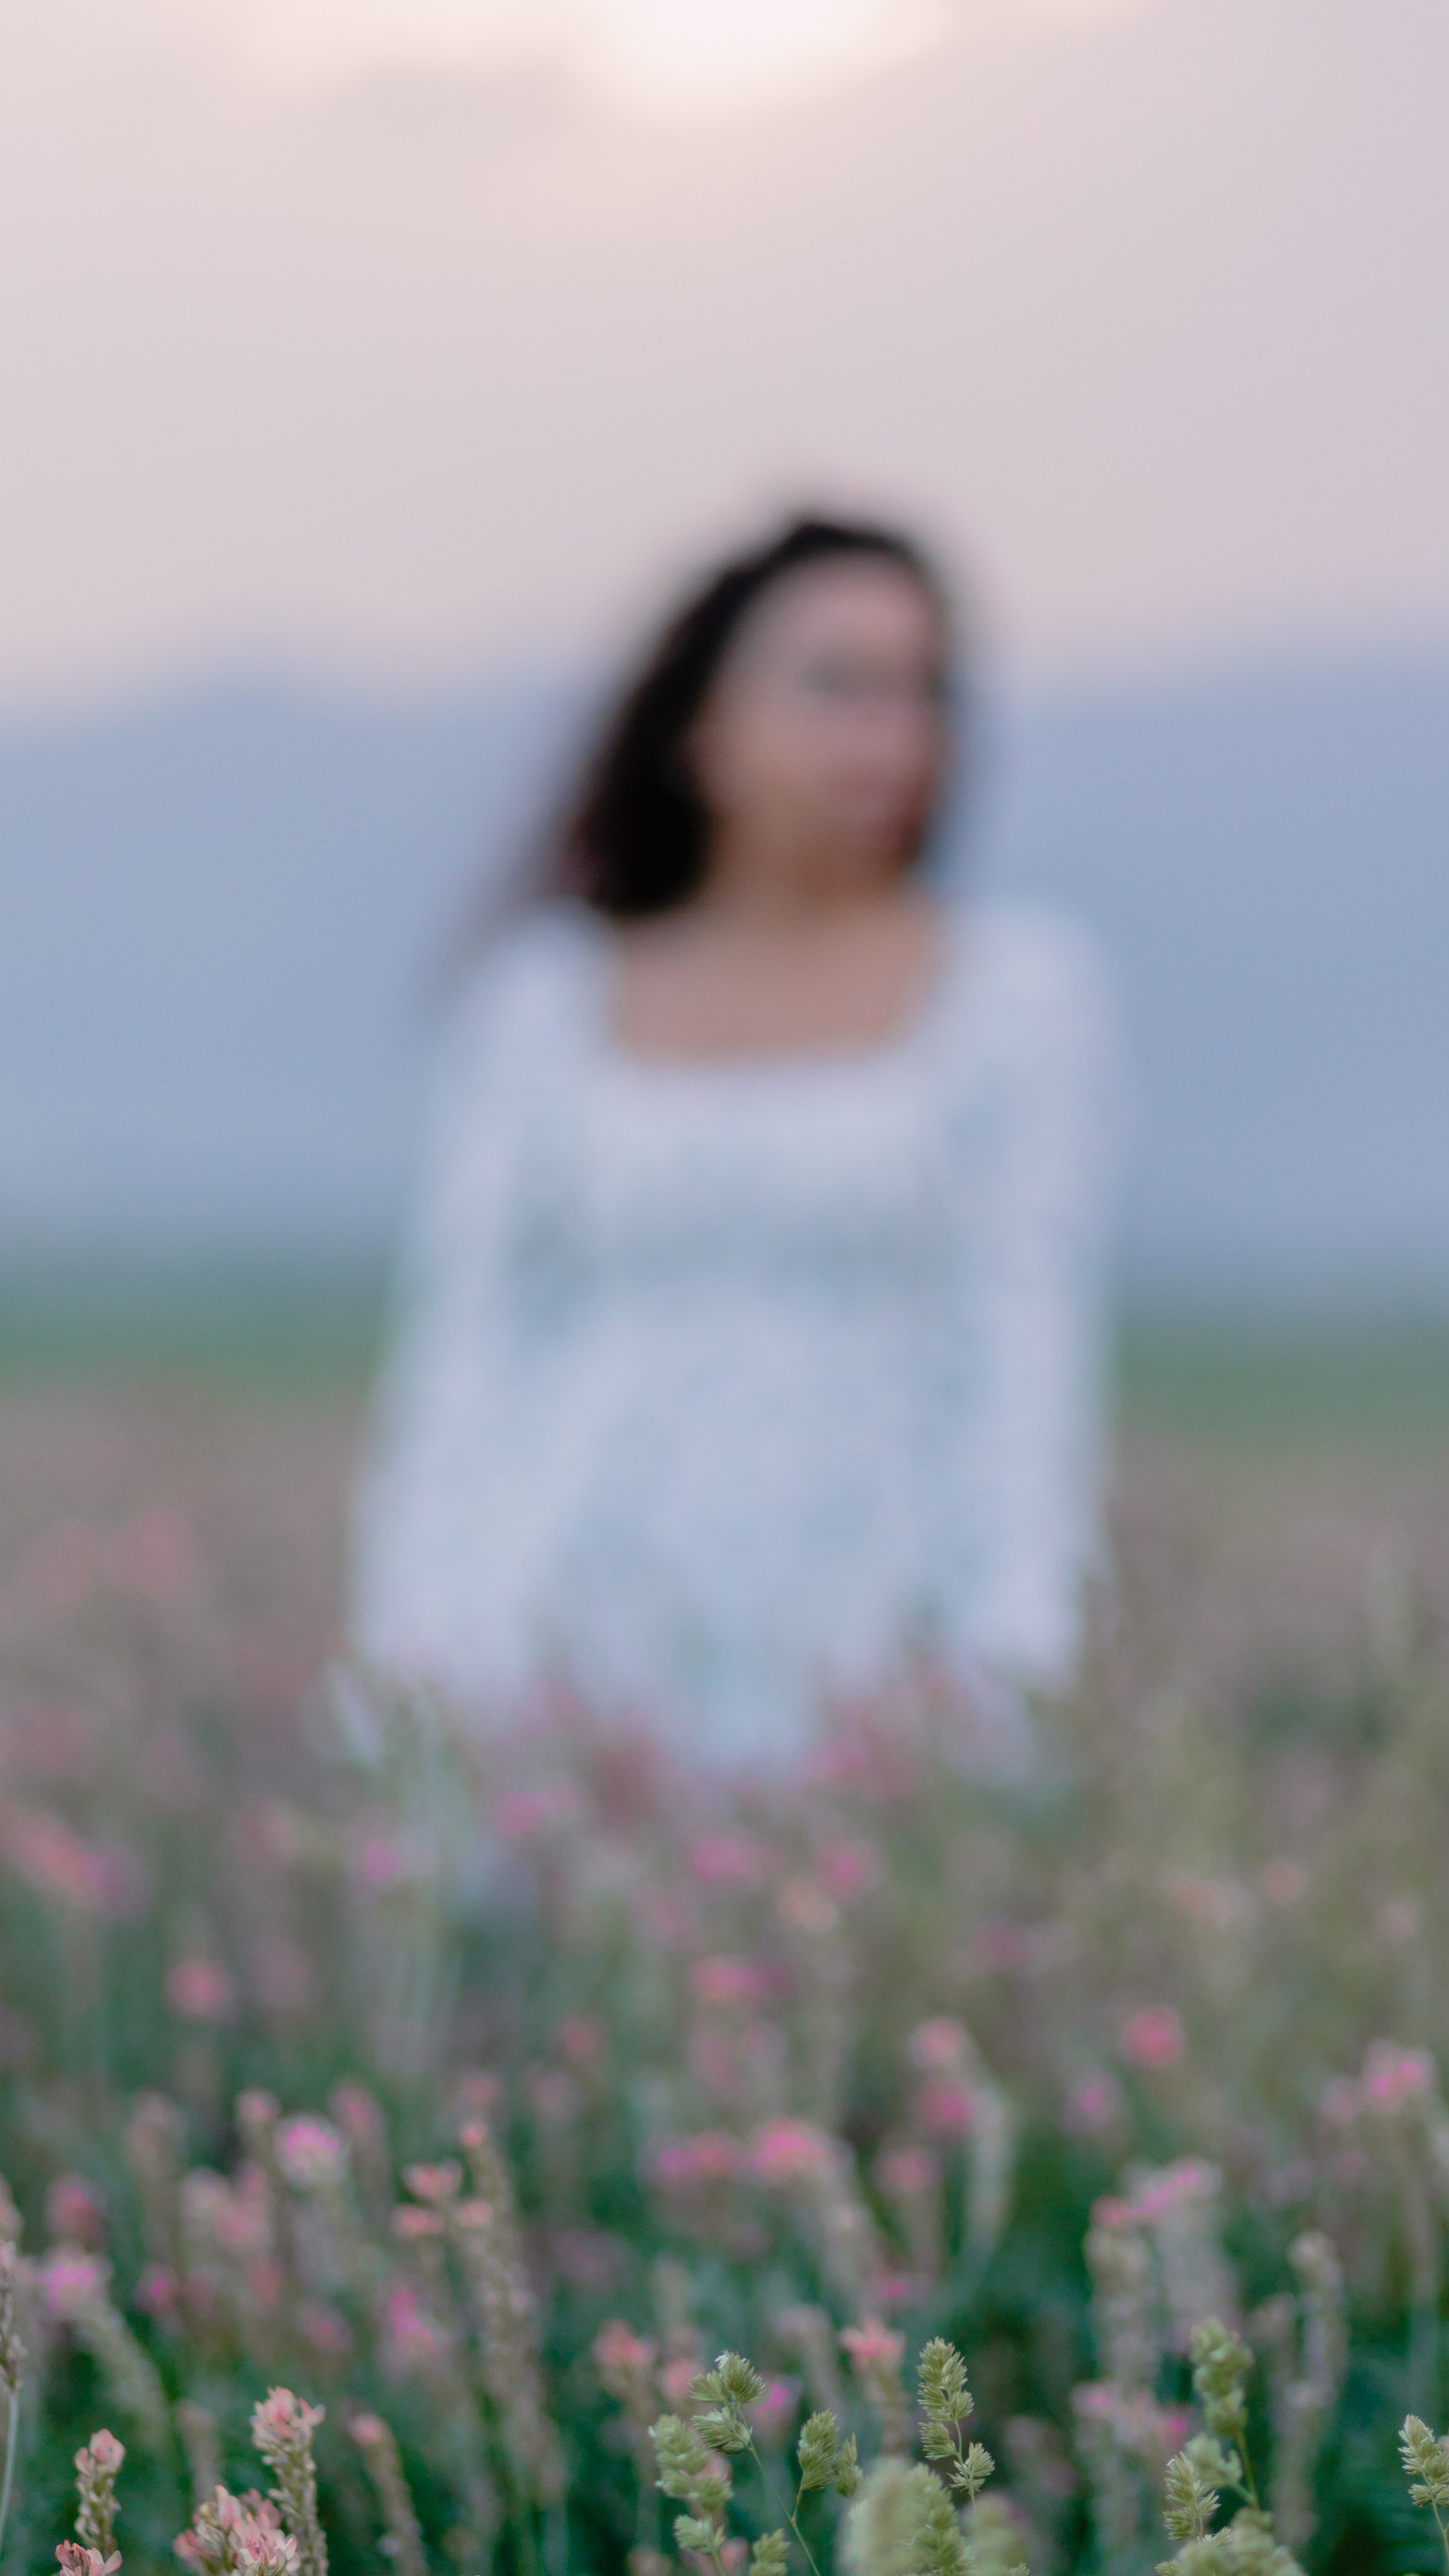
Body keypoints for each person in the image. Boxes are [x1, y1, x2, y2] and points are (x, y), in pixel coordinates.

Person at [349, 512, 1123, 1768]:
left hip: (870, 1656)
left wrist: (1008, 1682)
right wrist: (422, 1669)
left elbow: (1022, 1362)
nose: (887, 737)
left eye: (922, 693)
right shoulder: (546, 1003)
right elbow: (463, 1365)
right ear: (703, 726)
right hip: (559, 1640)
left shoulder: (1014, 999)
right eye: (836, 686)